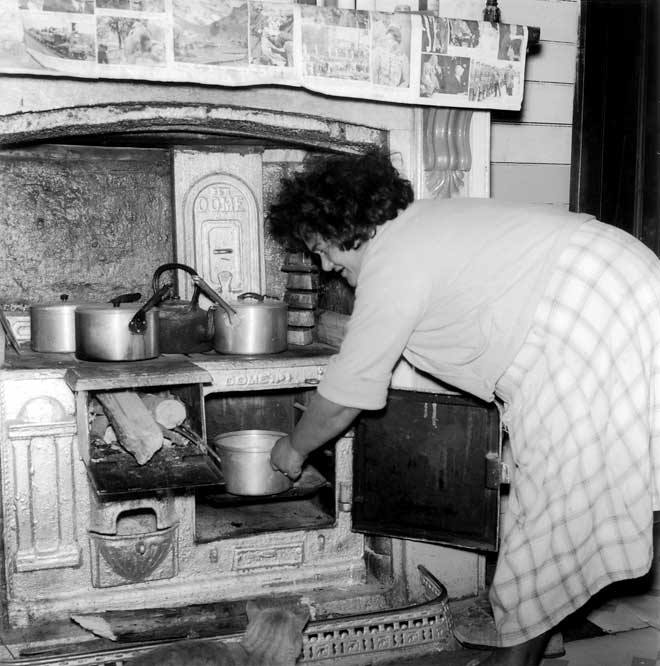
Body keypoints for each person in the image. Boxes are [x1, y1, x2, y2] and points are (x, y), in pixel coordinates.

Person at [267, 149, 660, 666]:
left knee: (549, 503)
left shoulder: (394, 259)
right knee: (554, 496)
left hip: (588, 313)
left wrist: (292, 448)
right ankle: (531, 640)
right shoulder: (419, 225)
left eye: (320, 249)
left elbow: (343, 398)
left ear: (343, 225)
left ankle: (514, 659)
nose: (324, 265)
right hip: (617, 281)